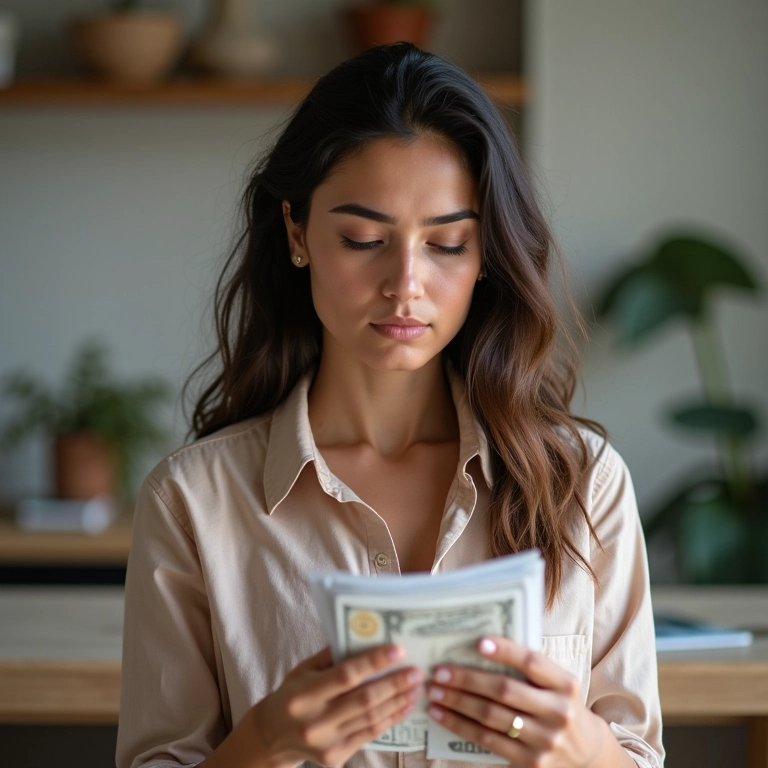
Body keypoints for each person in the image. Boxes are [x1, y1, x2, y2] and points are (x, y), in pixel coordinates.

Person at [116, 42, 664, 768]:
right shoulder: (193, 502)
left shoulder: (584, 486)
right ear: (297, 233)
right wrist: (265, 746)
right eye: (364, 239)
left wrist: (583, 750)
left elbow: (635, 755)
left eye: (447, 244)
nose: (405, 284)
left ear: (485, 258)